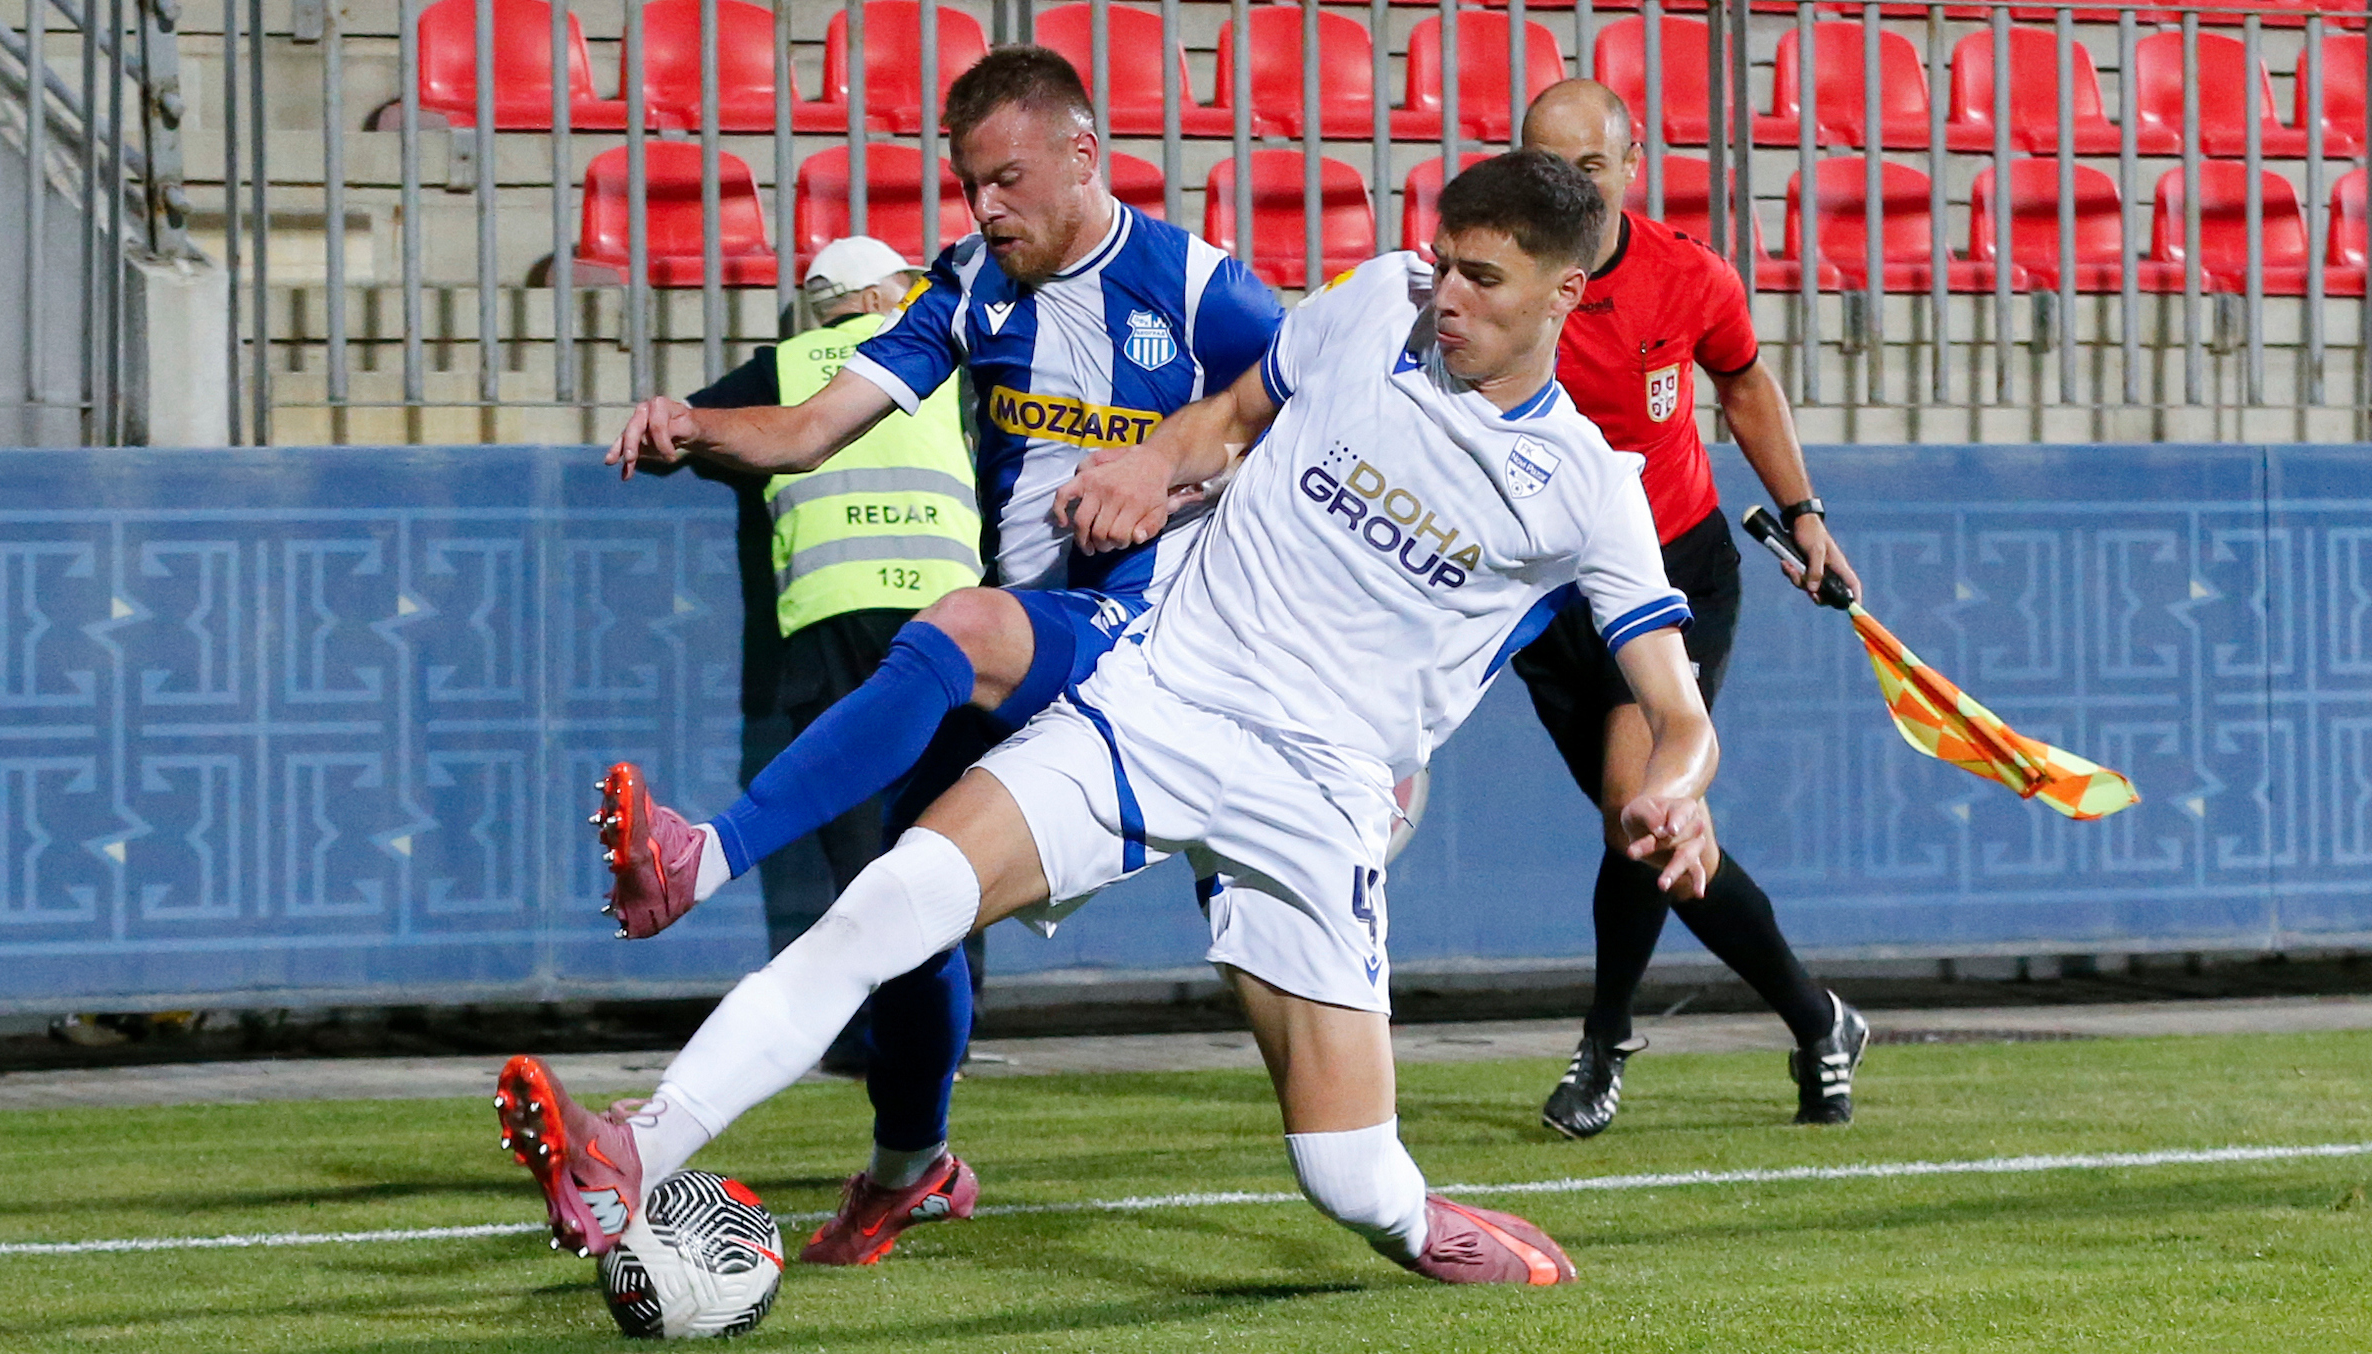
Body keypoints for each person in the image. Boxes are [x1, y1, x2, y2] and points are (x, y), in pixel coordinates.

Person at [499, 150, 1711, 1286]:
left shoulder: (1589, 490)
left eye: (1482, 277)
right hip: (1167, 694)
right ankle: (633, 1156)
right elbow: (1235, 412)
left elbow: (1673, 706)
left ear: (1567, 289)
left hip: (1324, 787)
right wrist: (1158, 465)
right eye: (1442, 258)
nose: (1444, 291)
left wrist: (1675, 788)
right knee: (888, 903)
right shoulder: (1373, 303)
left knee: (1347, 1181)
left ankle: (1430, 1223)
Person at [588, 47, 1284, 1265]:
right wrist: (695, 426)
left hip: (1159, 640)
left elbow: (1308, 421)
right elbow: (807, 430)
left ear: (1084, 155)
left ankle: (703, 860)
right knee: (899, 897)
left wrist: (1177, 464)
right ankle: (910, 1168)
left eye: (1006, 180)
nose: (985, 210)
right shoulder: (969, 287)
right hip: (1037, 640)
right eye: (968, 186)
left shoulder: (1204, 291)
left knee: (954, 621)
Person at [1514, 80, 1870, 1138]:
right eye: (1545, 164)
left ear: (1631, 163)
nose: (1566, 186)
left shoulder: (1687, 278)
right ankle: (1820, 1020)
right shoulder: (1490, 281)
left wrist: (1805, 514)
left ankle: (1605, 1043)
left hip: (1669, 580)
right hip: (1539, 596)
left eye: (1588, 166)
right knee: (1644, 829)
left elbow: (1747, 386)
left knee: (1643, 812)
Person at [667, 235, 981, 1075]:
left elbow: (694, 432)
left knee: (853, 830)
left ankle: (867, 1030)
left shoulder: (786, 365)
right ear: (878, 295)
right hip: (947, 615)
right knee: (954, 822)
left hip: (832, 614)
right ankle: (948, 1029)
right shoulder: (940, 359)